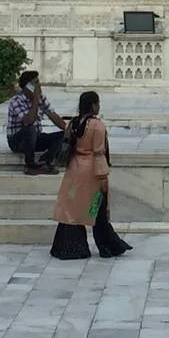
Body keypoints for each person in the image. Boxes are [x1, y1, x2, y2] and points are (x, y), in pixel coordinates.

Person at [50, 91, 133, 260]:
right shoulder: (97, 126)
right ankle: (106, 246)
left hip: (74, 170)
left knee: (72, 209)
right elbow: (99, 153)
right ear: (94, 105)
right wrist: (102, 176)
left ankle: (68, 247)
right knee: (98, 208)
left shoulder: (73, 123)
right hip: (91, 173)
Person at [5, 71, 66, 174]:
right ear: (27, 86)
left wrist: (69, 130)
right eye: (36, 83)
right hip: (17, 141)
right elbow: (29, 121)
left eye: (38, 82)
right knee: (30, 128)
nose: (39, 86)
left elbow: (53, 116)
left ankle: (45, 161)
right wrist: (35, 99)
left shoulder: (41, 98)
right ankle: (30, 165)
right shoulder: (17, 101)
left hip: (35, 138)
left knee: (64, 136)